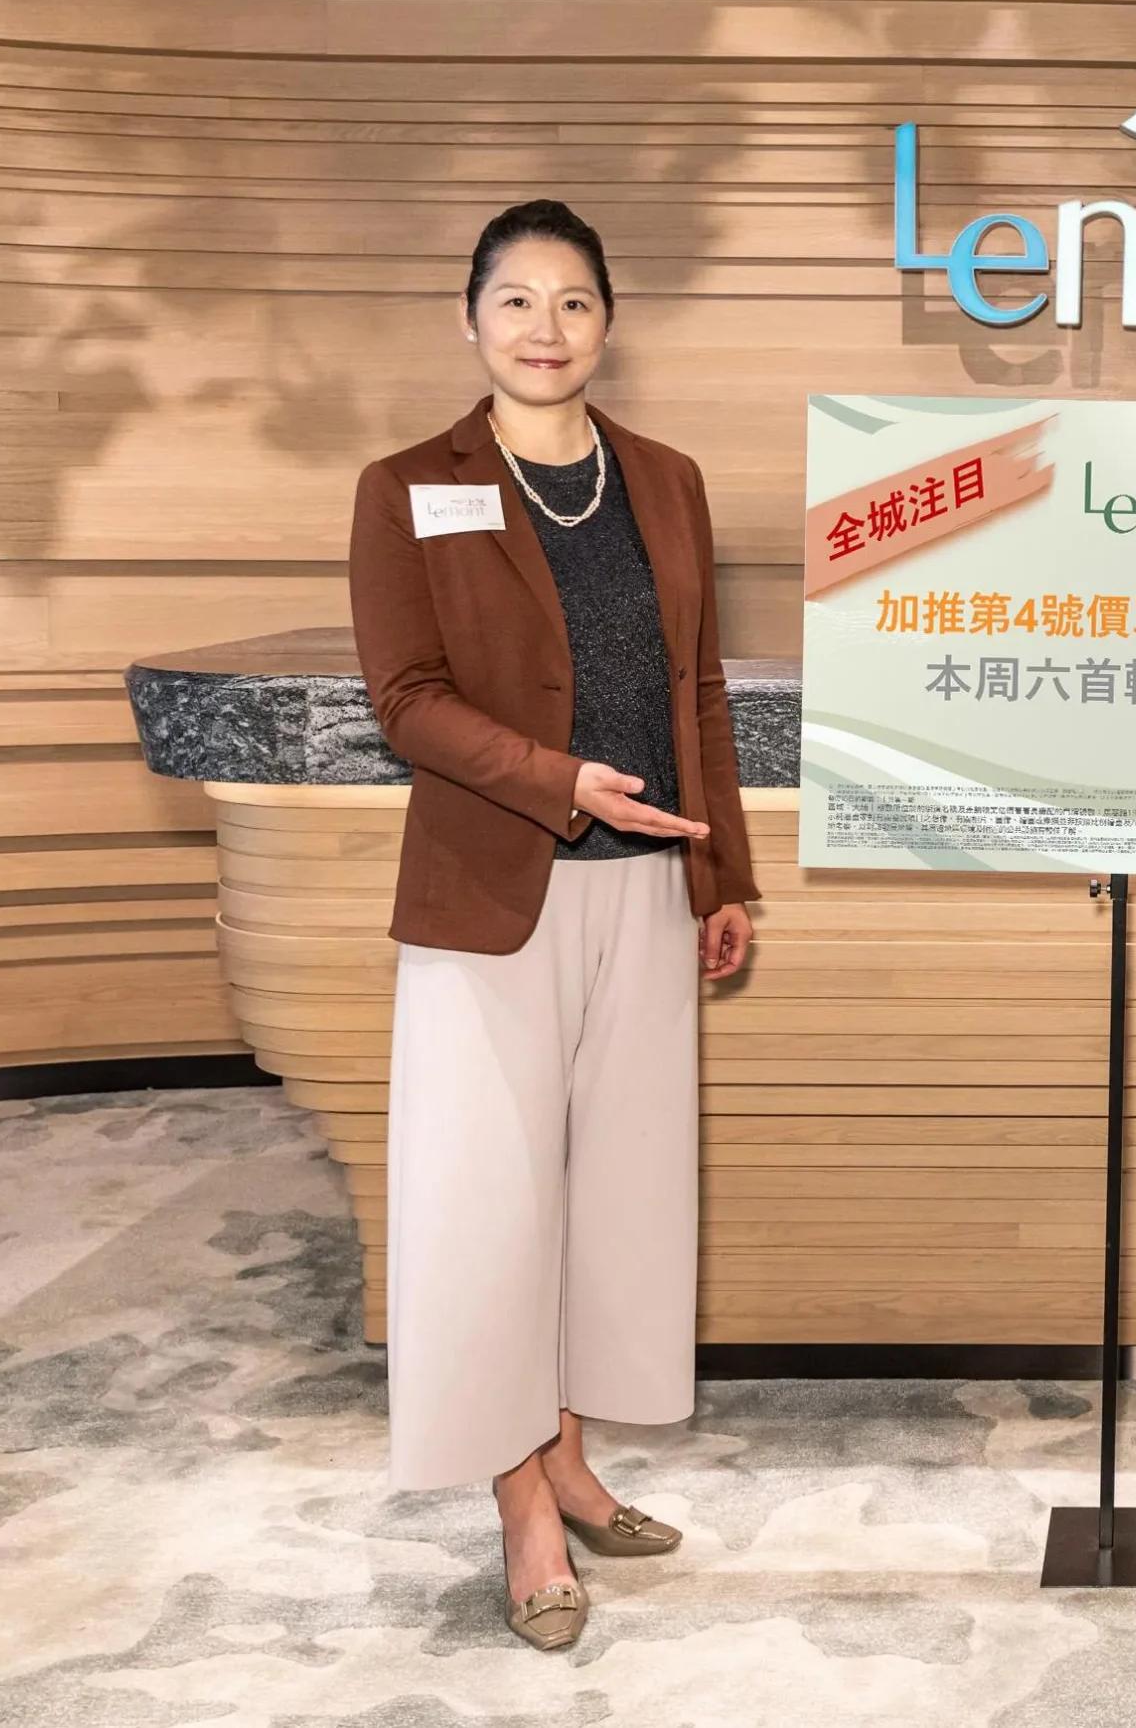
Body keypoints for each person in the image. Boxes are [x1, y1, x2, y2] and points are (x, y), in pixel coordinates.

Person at [347, 199, 757, 1650]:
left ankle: (574, 1460)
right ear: (471, 321)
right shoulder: (410, 485)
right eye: (515, 301)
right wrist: (557, 780)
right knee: (492, 1203)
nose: (544, 328)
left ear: (607, 324)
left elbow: (699, 691)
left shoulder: (666, 480)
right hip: (492, 895)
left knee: (612, 1194)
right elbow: (406, 700)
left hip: (647, 885)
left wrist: (723, 875)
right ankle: (520, 1501)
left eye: (573, 301)